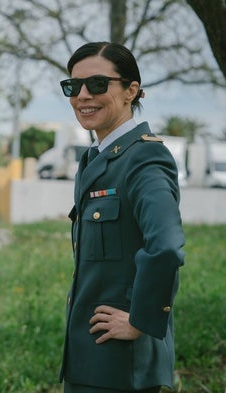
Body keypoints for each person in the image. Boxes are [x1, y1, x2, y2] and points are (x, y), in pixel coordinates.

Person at [59, 42, 185, 393]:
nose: (83, 95)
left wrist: (141, 320)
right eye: (73, 87)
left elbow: (166, 247)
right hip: (89, 359)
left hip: (122, 365)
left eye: (98, 84)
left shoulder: (144, 158)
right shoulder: (96, 157)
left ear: (131, 90)